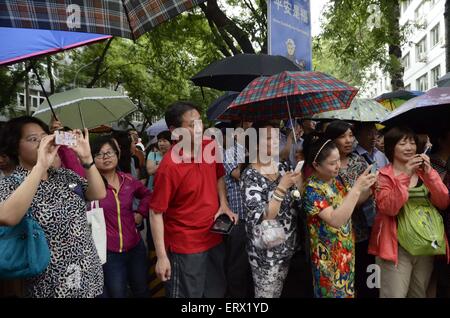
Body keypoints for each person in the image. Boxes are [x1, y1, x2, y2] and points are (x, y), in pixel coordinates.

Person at [0, 116, 106, 298]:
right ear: (14, 147)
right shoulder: (10, 184)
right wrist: (40, 166)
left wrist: (87, 159)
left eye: (44, 137)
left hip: (89, 275)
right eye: (33, 139)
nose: (42, 143)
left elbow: (98, 193)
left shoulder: (63, 175)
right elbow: (7, 217)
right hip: (52, 285)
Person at [149, 101, 237, 298]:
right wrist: (162, 257)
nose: (199, 129)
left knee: (216, 293)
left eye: (200, 122)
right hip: (186, 246)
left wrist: (223, 204)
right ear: (174, 131)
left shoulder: (209, 146)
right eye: (191, 125)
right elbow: (155, 213)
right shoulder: (169, 167)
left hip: (214, 236)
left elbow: (218, 176)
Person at [368, 127, 450, 298]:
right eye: (402, 143)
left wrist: (429, 175)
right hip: (396, 247)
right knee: (394, 294)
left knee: (419, 293)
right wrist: (404, 175)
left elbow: (443, 202)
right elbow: (389, 208)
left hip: (425, 244)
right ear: (391, 148)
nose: (409, 147)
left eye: (412, 142)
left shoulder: (424, 173)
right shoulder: (382, 176)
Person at [302, 137, 376, 298]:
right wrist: (357, 189)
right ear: (316, 165)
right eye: (331, 163)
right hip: (328, 258)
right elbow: (336, 220)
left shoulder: (335, 181)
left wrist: (370, 187)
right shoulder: (312, 189)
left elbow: (349, 204)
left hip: (345, 252)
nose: (337, 166)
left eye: (338, 161)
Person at [240, 121, 302, 298]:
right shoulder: (250, 175)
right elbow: (264, 216)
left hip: (288, 246)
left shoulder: (283, 167)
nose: (275, 142)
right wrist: (282, 187)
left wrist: (298, 181)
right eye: (269, 138)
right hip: (265, 253)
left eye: (277, 138)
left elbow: (297, 200)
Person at [92, 136, 151, 298]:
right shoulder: (89, 186)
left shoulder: (128, 180)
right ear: (92, 159)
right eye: (99, 154)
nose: (105, 157)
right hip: (110, 253)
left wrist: (140, 213)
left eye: (109, 153)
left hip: (135, 247)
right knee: (118, 293)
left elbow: (147, 195)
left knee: (141, 290)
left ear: (117, 155)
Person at [324, 121, 377, 298]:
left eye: (350, 135)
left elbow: (369, 191)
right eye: (342, 136)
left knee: (365, 276)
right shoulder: (325, 167)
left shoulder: (359, 161)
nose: (348, 140)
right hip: (335, 233)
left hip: (361, 229)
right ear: (331, 140)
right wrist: (357, 195)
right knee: (341, 279)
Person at [223, 121, 254, 298]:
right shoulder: (229, 153)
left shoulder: (256, 152)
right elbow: (239, 175)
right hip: (239, 218)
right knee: (237, 265)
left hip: (255, 218)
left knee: (252, 265)